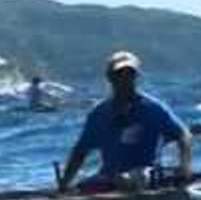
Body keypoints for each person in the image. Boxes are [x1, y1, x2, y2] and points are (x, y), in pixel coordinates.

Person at [57, 51, 193, 192]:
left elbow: (183, 135)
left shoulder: (153, 108)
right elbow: (80, 152)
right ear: (109, 78)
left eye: (130, 74)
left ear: (137, 77)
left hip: (146, 174)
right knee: (85, 186)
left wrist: (185, 165)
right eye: (120, 74)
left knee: (134, 178)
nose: (125, 79)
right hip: (110, 176)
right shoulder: (98, 114)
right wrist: (64, 184)